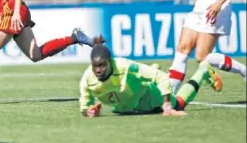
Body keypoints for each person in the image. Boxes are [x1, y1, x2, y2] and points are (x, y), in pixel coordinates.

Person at [79, 36, 223, 117]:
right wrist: (90, 111)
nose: (98, 70)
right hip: (125, 108)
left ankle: (203, 70)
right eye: (95, 66)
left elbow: (160, 77)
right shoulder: (87, 78)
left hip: (149, 96)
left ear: (110, 62)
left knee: (178, 104)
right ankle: (151, 69)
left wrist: (167, 105)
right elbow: (85, 108)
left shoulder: (124, 66)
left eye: (102, 65)